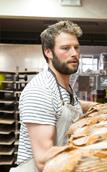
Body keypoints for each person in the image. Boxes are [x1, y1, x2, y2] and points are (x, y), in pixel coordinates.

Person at [10, 21, 97, 172]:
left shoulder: (63, 85)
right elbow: (44, 161)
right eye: (65, 48)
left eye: (76, 47)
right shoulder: (40, 91)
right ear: (48, 52)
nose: (74, 53)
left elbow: (68, 105)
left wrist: (103, 107)